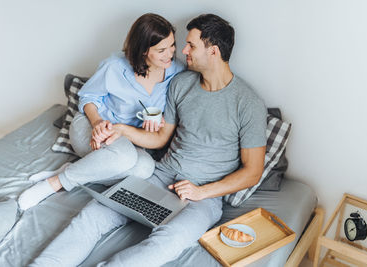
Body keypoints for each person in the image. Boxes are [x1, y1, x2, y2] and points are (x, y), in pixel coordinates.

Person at [30, 14, 267, 266]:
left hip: (204, 197)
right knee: (94, 215)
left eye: (191, 45)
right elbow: (160, 138)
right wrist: (120, 129)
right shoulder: (181, 83)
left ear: (213, 51)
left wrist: (201, 192)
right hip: (161, 176)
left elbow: (252, 171)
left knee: (168, 242)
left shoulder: (248, 103)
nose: (182, 51)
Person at [18, 13, 184, 210]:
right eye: (161, 50)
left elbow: (171, 110)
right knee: (125, 158)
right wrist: (97, 124)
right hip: (91, 126)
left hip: (127, 139)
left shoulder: (177, 72)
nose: (170, 54)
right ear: (143, 51)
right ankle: (54, 183)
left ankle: (76, 170)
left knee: (145, 168)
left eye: (172, 45)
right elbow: (88, 98)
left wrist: (162, 121)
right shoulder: (115, 66)